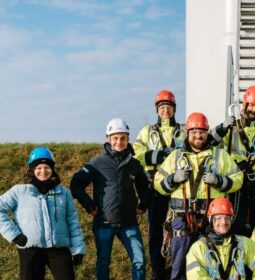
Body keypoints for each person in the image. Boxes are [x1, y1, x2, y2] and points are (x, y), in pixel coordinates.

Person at [154, 112, 243, 280]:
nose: (198, 135)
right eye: (193, 132)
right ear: (188, 133)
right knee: (179, 263)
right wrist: (173, 179)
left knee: (209, 262)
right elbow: (158, 183)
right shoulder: (176, 156)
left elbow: (238, 179)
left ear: (207, 133)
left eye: (201, 132)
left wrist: (219, 181)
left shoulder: (220, 155)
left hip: (211, 219)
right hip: (181, 218)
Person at [71, 118, 150, 280]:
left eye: (123, 138)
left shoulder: (135, 164)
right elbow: (76, 184)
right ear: (108, 138)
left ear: (128, 139)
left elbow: (145, 187)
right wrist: (89, 206)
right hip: (104, 223)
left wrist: (143, 205)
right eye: (115, 138)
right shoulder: (97, 163)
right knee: (103, 263)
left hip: (129, 223)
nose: (119, 142)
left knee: (140, 262)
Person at [0, 147, 86, 280]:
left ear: (52, 169)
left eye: (47, 167)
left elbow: (72, 221)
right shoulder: (19, 191)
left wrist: (78, 249)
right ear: (32, 170)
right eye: (38, 168)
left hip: (59, 249)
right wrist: (15, 235)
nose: (43, 171)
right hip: (30, 249)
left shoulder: (64, 193)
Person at [211, 85, 255, 235]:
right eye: (252, 105)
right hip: (238, 181)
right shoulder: (231, 128)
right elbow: (210, 143)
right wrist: (222, 128)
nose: (254, 110)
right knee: (236, 222)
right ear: (245, 104)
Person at [132, 90, 185, 279]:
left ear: (174, 109)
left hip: (179, 187)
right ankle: (158, 271)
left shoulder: (183, 131)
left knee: (181, 230)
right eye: (162, 107)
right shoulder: (147, 131)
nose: (165, 111)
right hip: (155, 187)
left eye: (169, 107)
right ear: (157, 110)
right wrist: (160, 155)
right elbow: (136, 154)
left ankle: (179, 270)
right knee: (155, 230)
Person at [186, 197, 255, 279]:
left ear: (231, 219)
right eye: (218, 218)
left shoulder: (244, 243)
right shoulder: (198, 248)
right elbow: (195, 277)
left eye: (227, 217)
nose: (223, 222)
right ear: (211, 220)